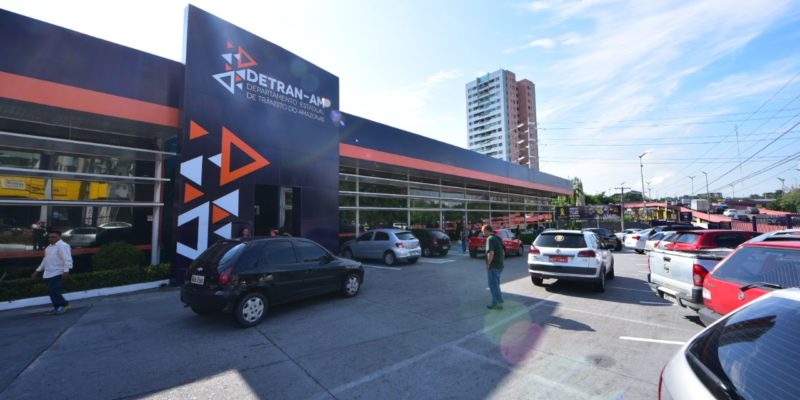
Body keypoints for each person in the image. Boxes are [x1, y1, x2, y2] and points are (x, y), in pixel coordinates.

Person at [31, 230, 73, 315]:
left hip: (58, 272)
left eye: (53, 237)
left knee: (54, 290)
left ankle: (62, 305)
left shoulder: (63, 246)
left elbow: (67, 259)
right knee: (51, 291)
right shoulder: (48, 248)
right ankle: (59, 306)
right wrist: (37, 270)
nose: (50, 239)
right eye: (49, 237)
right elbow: (45, 260)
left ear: (59, 237)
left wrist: (66, 271)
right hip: (48, 273)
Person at [483, 224, 505, 310]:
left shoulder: (490, 239)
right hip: (499, 265)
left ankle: (498, 303)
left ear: (486, 230)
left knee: (493, 285)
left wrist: (488, 264)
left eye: (483, 231)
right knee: (496, 284)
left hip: (493, 266)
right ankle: (496, 302)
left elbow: (491, 253)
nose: (483, 233)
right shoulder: (497, 237)